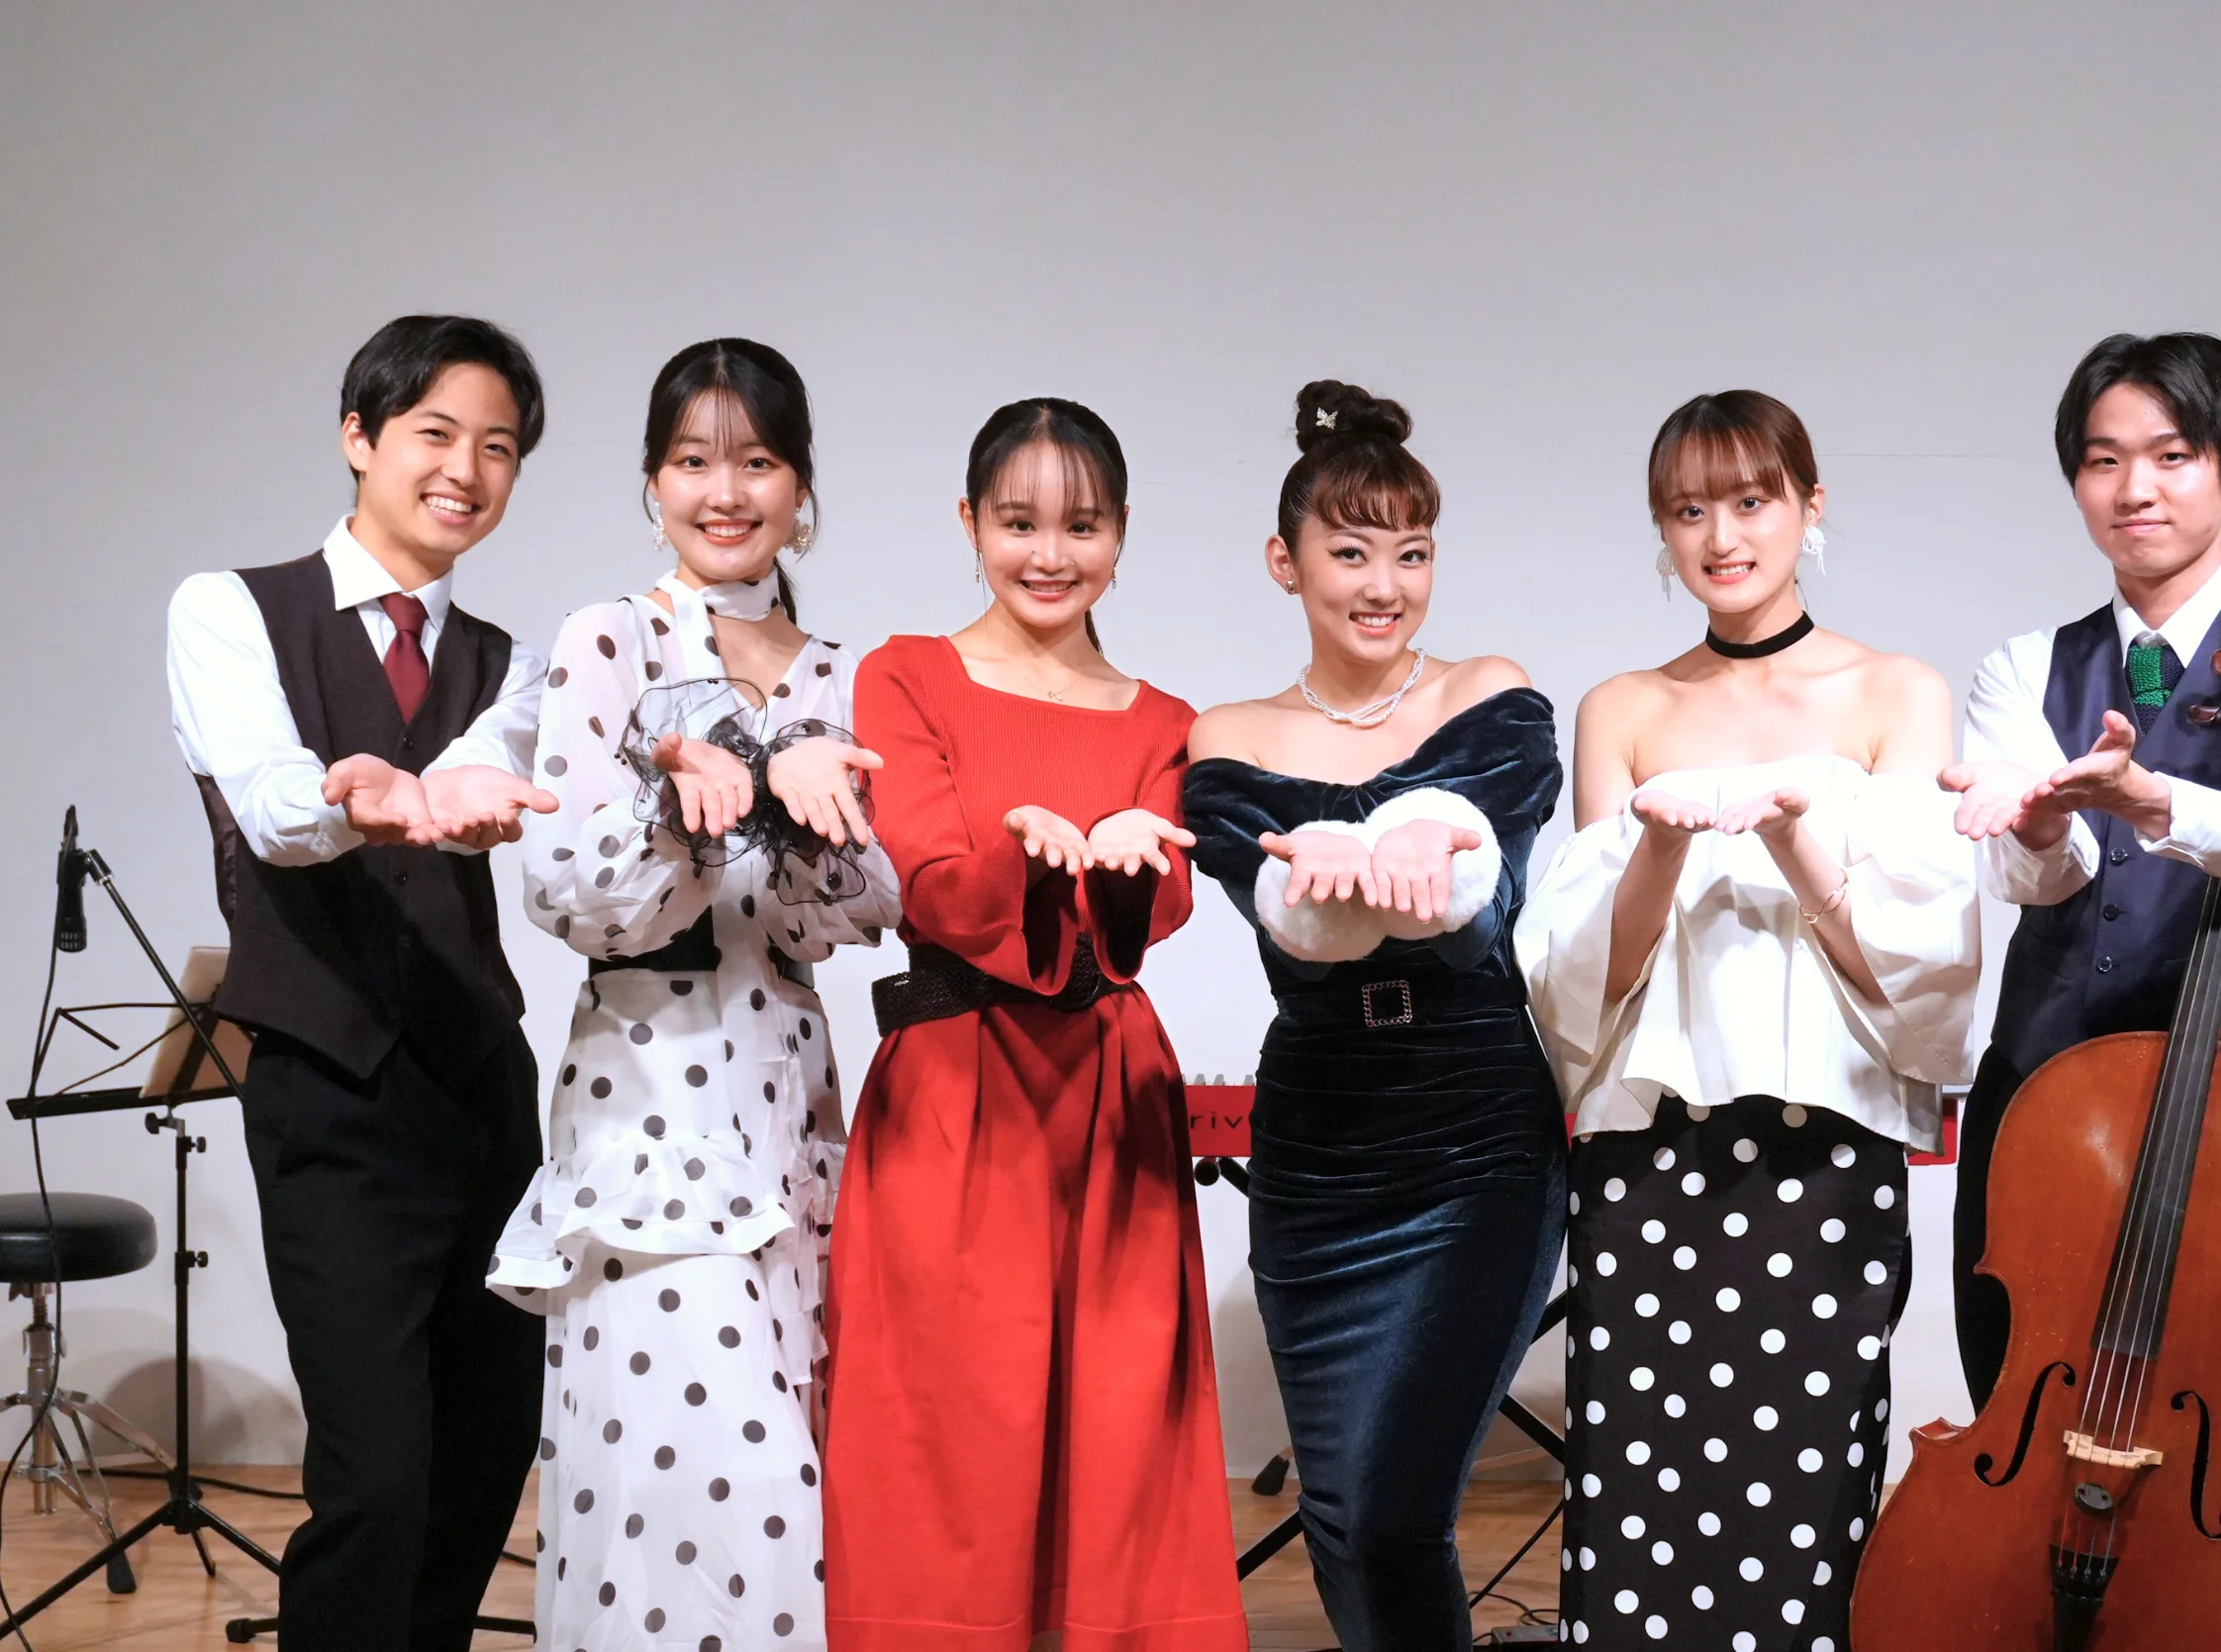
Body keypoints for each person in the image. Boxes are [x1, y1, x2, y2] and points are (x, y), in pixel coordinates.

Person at [1516, 390, 1980, 1649]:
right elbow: (1590, 984)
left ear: (1809, 505)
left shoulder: (1895, 690)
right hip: (1647, 1155)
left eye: (1750, 499)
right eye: (1687, 510)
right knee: (1636, 1482)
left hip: (1820, 1153)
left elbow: (1909, 969)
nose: (1720, 535)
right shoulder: (1620, 706)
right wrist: (1660, 847)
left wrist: (1790, 834)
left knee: (1805, 1485)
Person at [484, 339, 900, 1650]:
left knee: (790, 1479)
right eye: (693, 460)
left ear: (801, 485)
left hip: (790, 1100)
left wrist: (812, 816)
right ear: (653, 480)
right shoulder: (610, 637)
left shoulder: (841, 669)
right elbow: (569, 890)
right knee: (679, 1480)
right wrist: (684, 805)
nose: (726, 491)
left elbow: (854, 912)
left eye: (757, 461)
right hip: (647, 1096)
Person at [1941, 332, 2221, 1519]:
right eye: (2102, 460)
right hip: (2041, 1086)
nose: (2132, 488)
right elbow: (2038, 881)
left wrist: (2153, 798)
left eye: (2171, 455)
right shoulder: (2023, 666)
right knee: (2010, 1373)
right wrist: (2042, 824)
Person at [821, 399, 1246, 1652]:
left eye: (1081, 525)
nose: (1049, 554)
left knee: (1121, 1417)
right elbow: (934, 880)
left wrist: (1115, 866)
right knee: (949, 1420)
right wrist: (1036, 859)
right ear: (969, 523)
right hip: (954, 1087)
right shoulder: (904, 674)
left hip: (1111, 1092)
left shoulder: (1166, 720)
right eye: (1018, 523)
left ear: (1122, 533)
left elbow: (1164, 901)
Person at [165, 314, 560, 1651]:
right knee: (376, 1473)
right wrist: (368, 801)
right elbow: (273, 800)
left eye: (497, 447)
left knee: (483, 1455)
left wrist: (456, 791)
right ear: (359, 435)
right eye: (435, 433)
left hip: (482, 1089)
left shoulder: (509, 662)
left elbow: (503, 774)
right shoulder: (232, 608)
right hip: (328, 1085)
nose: (466, 470)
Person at [1182, 382, 1567, 1651]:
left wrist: (1421, 858)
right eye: (1350, 552)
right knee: (1342, 1517)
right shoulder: (1229, 736)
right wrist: (1359, 872)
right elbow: (1294, 935)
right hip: (1320, 1143)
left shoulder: (1488, 694)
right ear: (1283, 560)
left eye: (1411, 553)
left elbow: (1476, 909)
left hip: (1474, 1134)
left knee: (1398, 1512)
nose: (1384, 584)